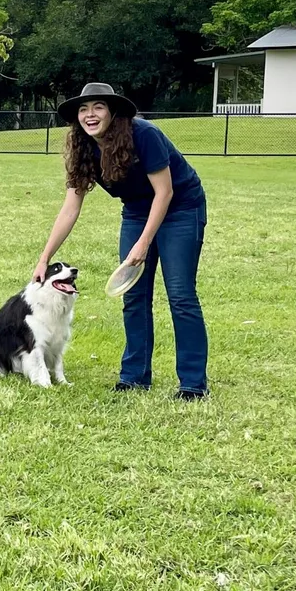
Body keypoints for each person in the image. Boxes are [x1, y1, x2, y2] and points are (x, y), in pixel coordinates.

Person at [33, 82, 210, 399]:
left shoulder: (144, 134)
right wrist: (45, 257)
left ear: (113, 112)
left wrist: (143, 244)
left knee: (181, 296)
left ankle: (193, 385)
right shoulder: (83, 148)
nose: (90, 115)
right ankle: (134, 377)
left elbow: (165, 192)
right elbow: (70, 209)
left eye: (98, 106)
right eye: (83, 109)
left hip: (182, 208)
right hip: (137, 212)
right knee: (134, 296)